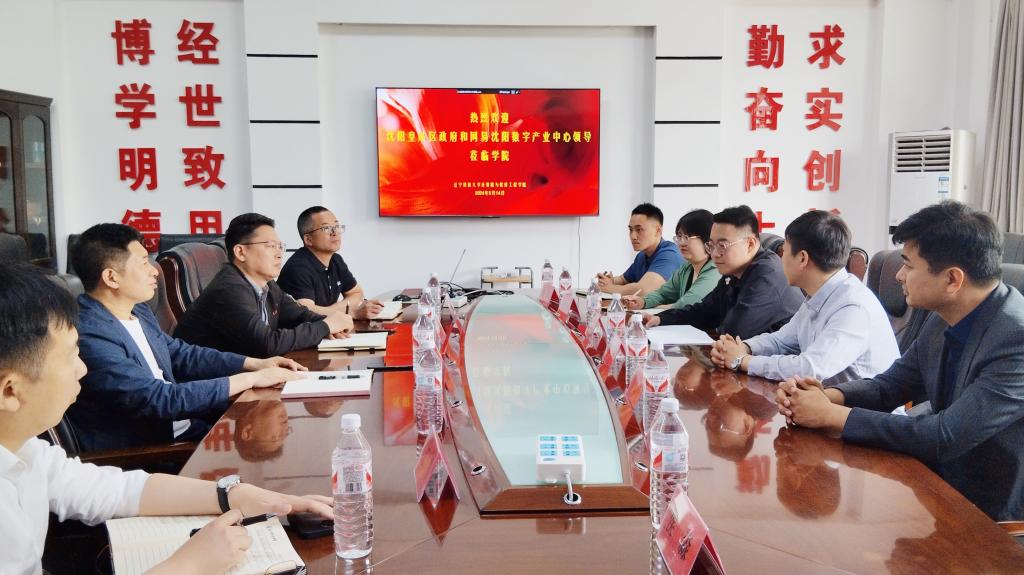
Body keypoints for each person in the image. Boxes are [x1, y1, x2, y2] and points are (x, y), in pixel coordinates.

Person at [0, 262, 333, 574]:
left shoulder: (26, 449)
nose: (82, 369)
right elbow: (154, 399)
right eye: (70, 356)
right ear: (10, 391)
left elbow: (115, 490)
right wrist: (189, 565)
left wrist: (235, 495)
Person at [775, 202, 1024, 521]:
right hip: (937, 490)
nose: (898, 275)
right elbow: (890, 386)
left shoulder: (1015, 340)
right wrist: (825, 396)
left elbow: (944, 436)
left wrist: (830, 415)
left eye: (908, 266)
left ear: (952, 280)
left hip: (994, 515)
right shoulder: (943, 316)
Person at [66, 223, 306, 452]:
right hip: (151, 449)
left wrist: (254, 364)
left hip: (186, 426)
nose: (154, 271)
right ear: (111, 278)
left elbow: (181, 354)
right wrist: (251, 379)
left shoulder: (137, 310)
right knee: (267, 443)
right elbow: (158, 399)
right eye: (144, 263)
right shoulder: (90, 335)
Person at [710, 211, 899, 383]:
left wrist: (743, 361)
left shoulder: (853, 307)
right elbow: (781, 341)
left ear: (802, 258)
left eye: (784, 252)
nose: (780, 259)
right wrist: (744, 347)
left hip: (858, 409)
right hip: (824, 401)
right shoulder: (818, 295)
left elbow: (810, 368)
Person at [174, 213, 354, 357]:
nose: (279, 254)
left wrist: (328, 323)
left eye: (280, 246)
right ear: (241, 252)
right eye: (270, 246)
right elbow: (267, 344)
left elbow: (299, 315)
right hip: (208, 383)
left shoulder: (267, 285)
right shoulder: (229, 289)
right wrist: (325, 326)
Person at [645, 205, 802, 339]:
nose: (714, 254)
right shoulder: (734, 271)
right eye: (711, 245)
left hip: (783, 361)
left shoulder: (767, 274)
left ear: (750, 244)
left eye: (722, 246)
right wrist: (660, 319)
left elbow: (734, 332)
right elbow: (705, 311)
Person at [277, 206, 384, 319]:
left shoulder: (336, 260)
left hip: (325, 326)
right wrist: (351, 312)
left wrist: (333, 310)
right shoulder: (298, 268)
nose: (335, 232)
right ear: (308, 239)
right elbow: (307, 312)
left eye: (336, 226)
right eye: (326, 228)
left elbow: (356, 293)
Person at [622, 209, 720, 311]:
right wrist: (643, 302)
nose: (681, 243)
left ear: (707, 239)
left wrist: (658, 307)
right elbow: (662, 294)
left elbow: (687, 304)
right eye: (679, 236)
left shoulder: (715, 270)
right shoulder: (686, 269)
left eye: (687, 237)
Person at [596, 203, 684, 296]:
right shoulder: (642, 255)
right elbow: (623, 280)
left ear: (658, 230)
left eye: (639, 230)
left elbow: (643, 290)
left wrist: (609, 288)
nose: (633, 236)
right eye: (631, 230)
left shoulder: (670, 254)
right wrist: (608, 280)